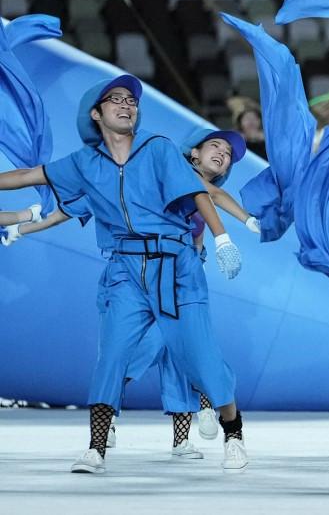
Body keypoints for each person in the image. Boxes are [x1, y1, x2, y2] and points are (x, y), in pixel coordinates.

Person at [0, 74, 248, 474]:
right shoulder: (85, 163)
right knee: (112, 355)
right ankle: (96, 447)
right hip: (125, 269)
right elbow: (30, 176)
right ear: (97, 114)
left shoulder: (158, 148)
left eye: (131, 101)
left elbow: (199, 192)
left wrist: (222, 240)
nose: (126, 104)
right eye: (115, 99)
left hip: (176, 267)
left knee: (201, 359)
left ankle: (233, 430)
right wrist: (22, 221)